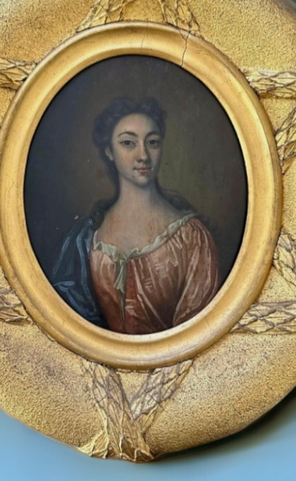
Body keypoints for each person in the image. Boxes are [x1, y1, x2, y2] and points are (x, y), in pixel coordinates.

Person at [50, 96, 220, 335]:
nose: (143, 155)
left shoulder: (193, 239)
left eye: (152, 142)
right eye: (128, 143)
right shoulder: (86, 238)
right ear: (109, 151)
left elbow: (196, 335)